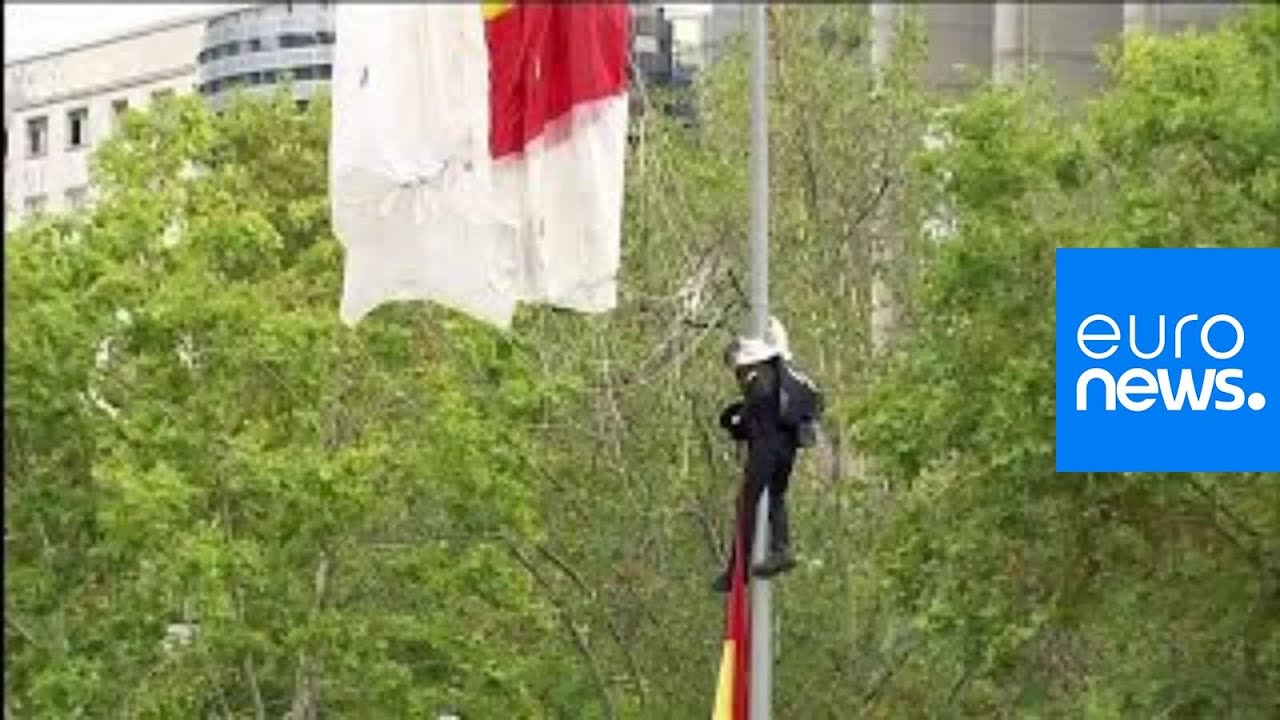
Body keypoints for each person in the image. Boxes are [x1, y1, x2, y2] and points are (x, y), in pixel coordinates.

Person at [712, 319, 802, 592]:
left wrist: (739, 419)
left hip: (767, 447)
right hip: (787, 444)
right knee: (775, 495)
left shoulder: (758, 375)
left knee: (746, 505)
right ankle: (781, 548)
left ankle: (736, 572)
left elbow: (757, 411)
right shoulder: (783, 373)